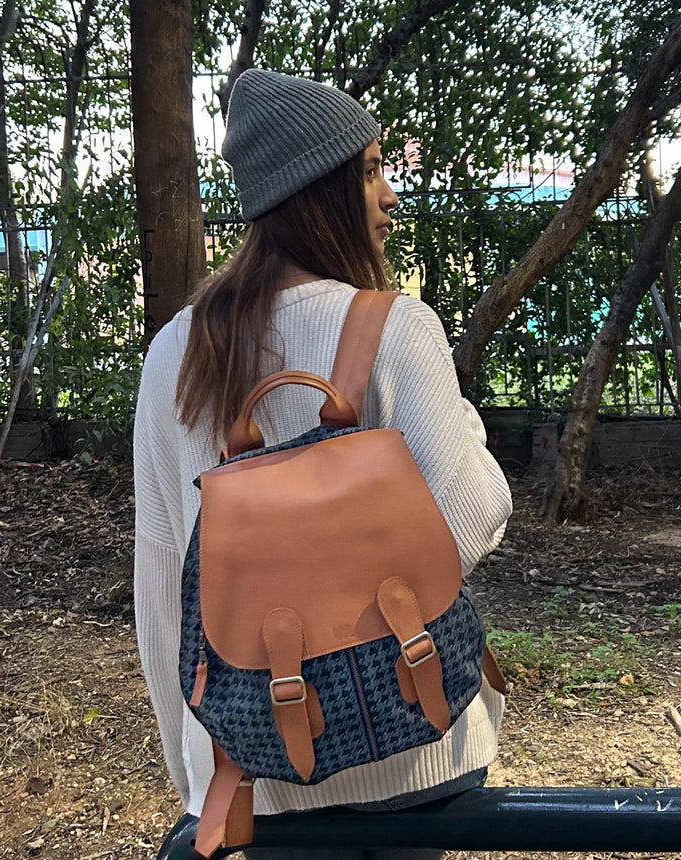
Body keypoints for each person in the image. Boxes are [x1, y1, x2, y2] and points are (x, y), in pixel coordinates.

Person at [133, 69, 513, 858]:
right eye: (370, 172)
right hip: (417, 755)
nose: (389, 196)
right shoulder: (397, 329)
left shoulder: (175, 353)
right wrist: (467, 425)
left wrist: (196, 768)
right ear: (320, 191)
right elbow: (464, 523)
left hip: (258, 772)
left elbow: (165, 583)